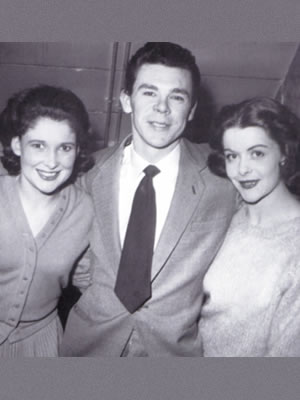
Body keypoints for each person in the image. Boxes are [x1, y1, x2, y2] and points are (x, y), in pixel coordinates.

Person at [60, 42, 236, 357]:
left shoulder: (224, 176)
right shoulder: (85, 173)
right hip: (89, 346)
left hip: (174, 353)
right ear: (126, 101)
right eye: (149, 92)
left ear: (192, 109)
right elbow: (78, 263)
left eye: (177, 97)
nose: (162, 108)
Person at [200, 97, 300, 357]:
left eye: (257, 153)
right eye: (232, 156)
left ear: (284, 153)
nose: (242, 169)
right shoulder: (228, 216)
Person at [0, 85, 94, 357]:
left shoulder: (84, 210)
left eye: (64, 147)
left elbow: (88, 279)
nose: (51, 162)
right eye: (38, 146)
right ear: (17, 146)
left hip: (41, 345)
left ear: (77, 150)